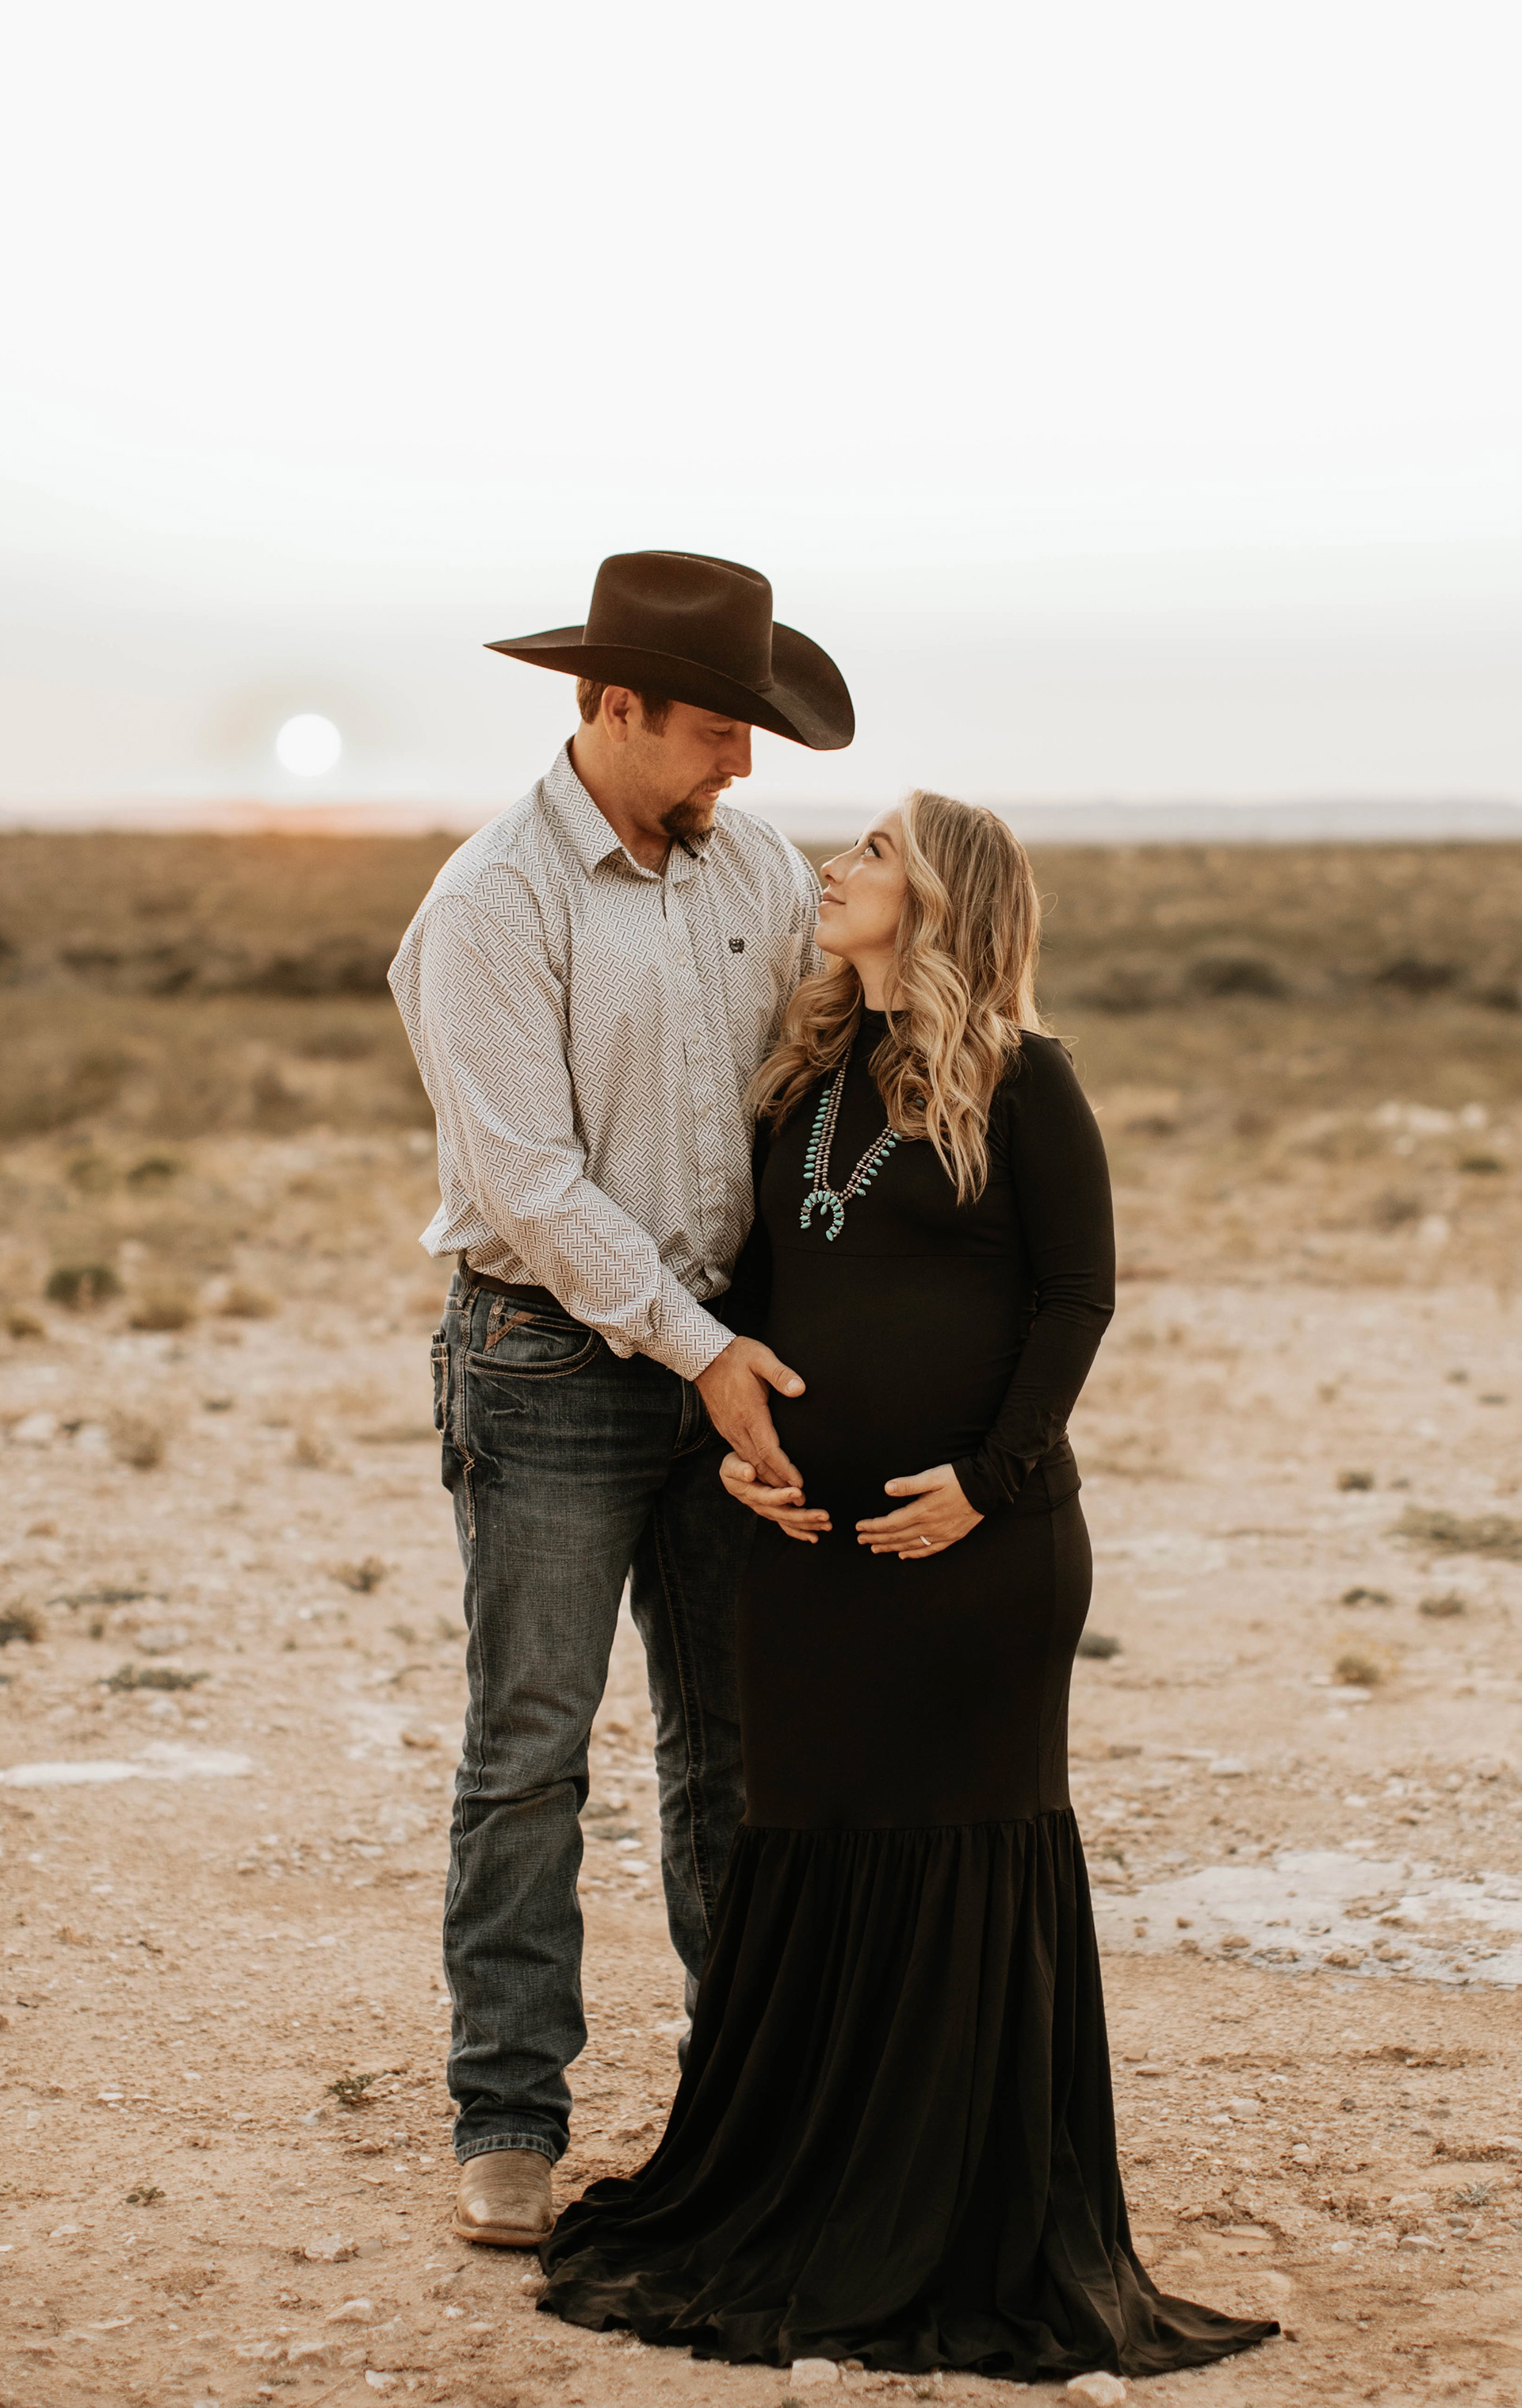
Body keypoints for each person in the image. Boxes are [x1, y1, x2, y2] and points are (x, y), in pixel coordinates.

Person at [537, 792, 1277, 2381]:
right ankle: (808, 2198)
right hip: (805, 1553)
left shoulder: (1026, 1077)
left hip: (980, 1561)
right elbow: (755, 1291)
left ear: (944, 900)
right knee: (805, 1841)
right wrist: (732, 1449)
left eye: (874, 853)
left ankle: (957, 2228)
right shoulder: (804, 1077)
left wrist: (990, 1485)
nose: (835, 866)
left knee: (960, 1854)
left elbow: (1078, 1298)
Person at [388, 550, 855, 2250]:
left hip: (728, 1360)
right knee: (532, 1748)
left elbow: (813, 1095)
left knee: (737, 1748)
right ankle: (509, 2117)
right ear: (611, 705)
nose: (744, 758)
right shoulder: (491, 904)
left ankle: (750, 2106)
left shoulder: (765, 871)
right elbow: (529, 1184)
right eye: (718, 725)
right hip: (549, 1366)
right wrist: (701, 1348)